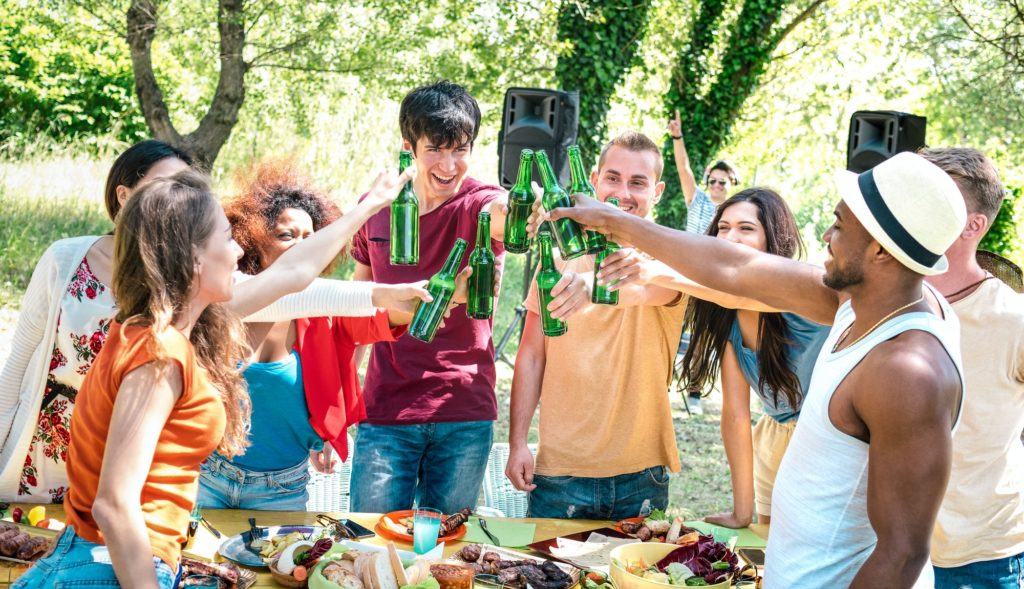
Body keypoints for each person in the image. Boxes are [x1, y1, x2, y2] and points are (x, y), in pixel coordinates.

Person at [547, 151, 966, 589]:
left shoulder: (909, 371)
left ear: (880, 251)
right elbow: (736, 269)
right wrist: (618, 224)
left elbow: (902, 554)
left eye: (840, 226)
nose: (826, 235)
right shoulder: (863, 300)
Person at [0, 139, 418, 502]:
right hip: (43, 456)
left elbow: (294, 284)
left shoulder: (190, 282)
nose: (183, 200)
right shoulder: (65, 258)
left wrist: (385, 280)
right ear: (127, 197)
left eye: (188, 189)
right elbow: (16, 369)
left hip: (133, 457)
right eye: (168, 188)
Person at [507, 132, 777, 520]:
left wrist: (593, 287)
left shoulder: (673, 259)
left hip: (641, 476)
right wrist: (518, 442)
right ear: (594, 180)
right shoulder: (556, 258)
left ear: (658, 191)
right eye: (613, 178)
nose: (623, 193)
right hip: (559, 471)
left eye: (638, 182)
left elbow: (648, 288)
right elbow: (532, 355)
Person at [349, 80, 588, 514]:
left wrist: (530, 204)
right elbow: (355, 309)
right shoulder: (376, 207)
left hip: (463, 411)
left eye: (460, 149)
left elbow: (502, 212)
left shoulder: (480, 203)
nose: (448, 164)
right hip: (385, 413)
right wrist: (340, 406)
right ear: (409, 147)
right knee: (370, 541)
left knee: (447, 551)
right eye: (435, 150)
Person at [11, 171, 250, 589]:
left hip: (103, 561)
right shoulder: (159, 351)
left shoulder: (145, 335)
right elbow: (114, 504)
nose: (239, 250)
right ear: (193, 256)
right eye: (228, 237)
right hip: (110, 568)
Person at [197, 160, 428, 511]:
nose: (303, 249)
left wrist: (432, 297)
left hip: (281, 488)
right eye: (287, 236)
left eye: (312, 239)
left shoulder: (324, 309)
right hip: (208, 476)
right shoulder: (229, 297)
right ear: (254, 239)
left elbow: (381, 318)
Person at [677, 189, 829, 528]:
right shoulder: (729, 316)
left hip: (824, 443)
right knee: (768, 560)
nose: (731, 238)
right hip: (772, 441)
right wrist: (741, 512)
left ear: (772, 240)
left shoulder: (806, 294)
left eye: (746, 229)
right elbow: (734, 414)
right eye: (723, 228)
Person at [921, 147, 1024, 589]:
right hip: (885, 546)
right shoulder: (880, 299)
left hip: (980, 558)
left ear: (973, 225)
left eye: (931, 199)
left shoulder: (1013, 319)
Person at [668, 110, 740, 411]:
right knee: (669, 328)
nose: (717, 185)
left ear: (731, 184)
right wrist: (677, 136)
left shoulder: (736, 210)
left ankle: (695, 393)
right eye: (713, 180)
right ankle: (661, 385)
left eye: (722, 182)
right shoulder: (696, 200)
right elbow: (683, 168)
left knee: (702, 338)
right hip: (684, 275)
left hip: (712, 281)